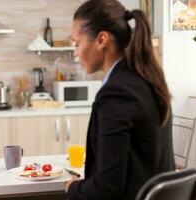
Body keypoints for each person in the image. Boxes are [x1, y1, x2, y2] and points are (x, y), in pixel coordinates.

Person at [65, 1, 175, 200]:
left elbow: (106, 188)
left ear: (101, 39)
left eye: (76, 43)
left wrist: (73, 188)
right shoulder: (149, 80)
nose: (75, 53)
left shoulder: (115, 93)